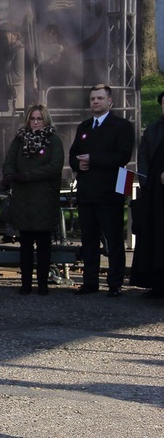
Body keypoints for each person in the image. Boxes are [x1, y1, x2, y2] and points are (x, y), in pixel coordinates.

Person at [68, 84, 134, 297]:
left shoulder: (121, 126)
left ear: (110, 101)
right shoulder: (84, 127)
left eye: (100, 98)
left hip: (109, 192)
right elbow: (73, 155)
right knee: (88, 240)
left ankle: (115, 284)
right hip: (86, 192)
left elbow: (122, 156)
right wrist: (79, 165)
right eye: (92, 99)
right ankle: (90, 282)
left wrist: (93, 160)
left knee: (113, 239)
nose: (95, 102)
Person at [2, 104, 64, 295]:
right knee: (25, 244)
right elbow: (9, 162)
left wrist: (27, 176)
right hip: (23, 199)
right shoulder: (19, 140)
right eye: (32, 119)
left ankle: (43, 284)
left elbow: (54, 166)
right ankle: (26, 283)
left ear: (45, 120)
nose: (36, 122)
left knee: (44, 244)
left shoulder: (53, 140)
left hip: (44, 197)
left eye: (39, 118)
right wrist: (10, 176)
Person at [130, 91, 164, 298]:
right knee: (156, 239)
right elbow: (143, 159)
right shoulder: (153, 130)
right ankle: (157, 284)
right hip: (157, 197)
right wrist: (148, 183)